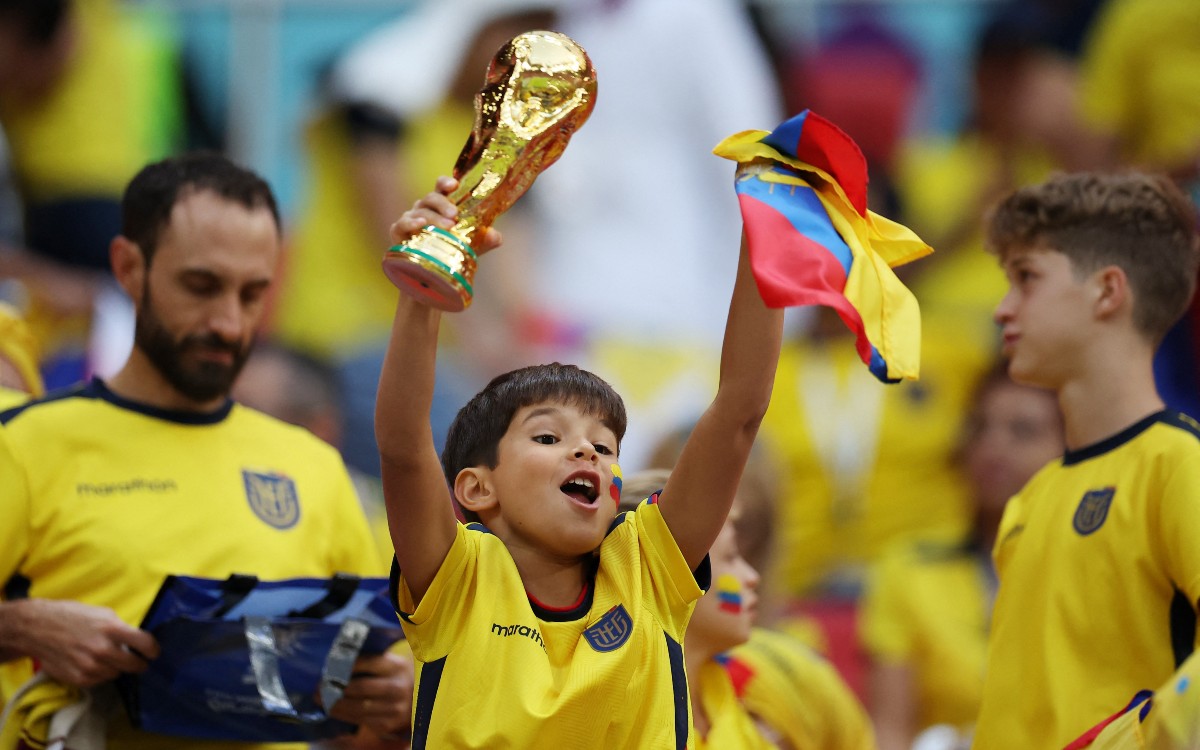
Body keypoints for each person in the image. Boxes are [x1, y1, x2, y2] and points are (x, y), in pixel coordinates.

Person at [0, 153, 410, 750]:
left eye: (251, 295)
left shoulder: (314, 469)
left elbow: (377, 672)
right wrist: (20, 628)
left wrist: (397, 693)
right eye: (202, 286)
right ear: (128, 267)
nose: (228, 321)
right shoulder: (24, 443)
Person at [375, 174, 784, 747]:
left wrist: (768, 235)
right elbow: (401, 445)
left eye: (605, 445)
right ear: (475, 489)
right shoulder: (457, 577)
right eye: (547, 438)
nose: (586, 449)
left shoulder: (647, 567)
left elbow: (739, 410)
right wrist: (422, 288)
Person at [971, 171, 1200, 748]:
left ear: (1107, 291)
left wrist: (1139, 735)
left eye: (1026, 279)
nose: (1002, 309)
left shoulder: (1179, 465)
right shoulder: (1031, 496)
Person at [860, 364, 1063, 749]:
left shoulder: (1096, 562)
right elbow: (890, 731)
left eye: (1023, 431)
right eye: (980, 427)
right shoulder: (907, 567)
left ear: (1073, 447)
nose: (993, 446)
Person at [622, 466, 877, 750]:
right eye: (731, 557)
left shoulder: (783, 668)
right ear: (670, 577)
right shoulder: (610, 724)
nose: (751, 576)